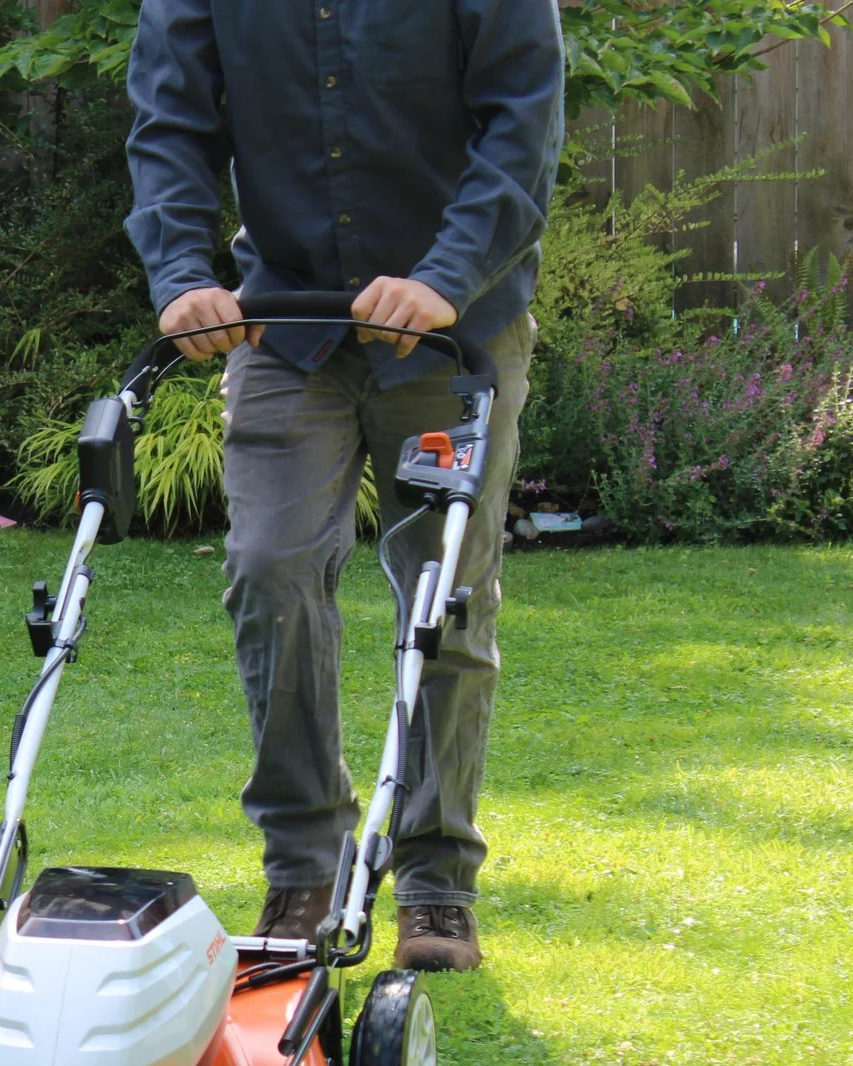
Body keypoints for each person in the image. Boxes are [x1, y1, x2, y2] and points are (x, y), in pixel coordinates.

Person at [124, 0, 563, 970]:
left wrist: (444, 275)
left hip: (454, 330)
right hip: (289, 324)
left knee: (442, 596)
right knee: (269, 567)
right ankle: (304, 865)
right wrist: (181, 273)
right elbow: (171, 128)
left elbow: (522, 117)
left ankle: (436, 879)